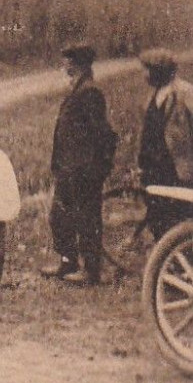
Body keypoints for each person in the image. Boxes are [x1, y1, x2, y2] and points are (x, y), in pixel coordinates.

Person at [42, 43, 116, 285]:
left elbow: (102, 134)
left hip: (84, 169)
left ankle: (91, 271)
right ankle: (67, 261)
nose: (64, 65)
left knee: (87, 219)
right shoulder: (78, 88)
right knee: (59, 216)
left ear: (78, 64)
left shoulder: (90, 92)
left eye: (68, 60)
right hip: (69, 167)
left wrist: (97, 168)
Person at [138, 49, 193, 189]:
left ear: (158, 70)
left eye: (147, 69)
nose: (144, 75)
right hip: (154, 166)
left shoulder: (185, 91)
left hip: (175, 166)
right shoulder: (153, 95)